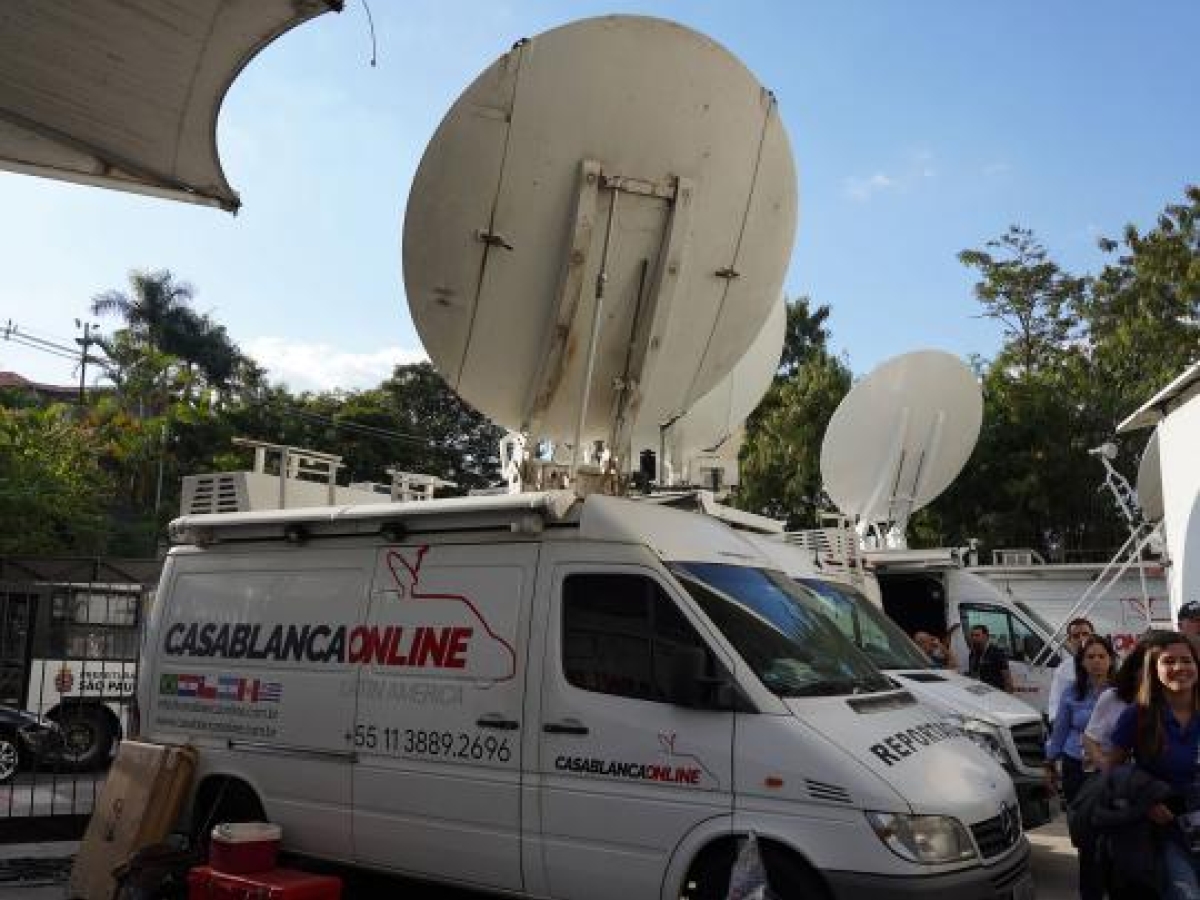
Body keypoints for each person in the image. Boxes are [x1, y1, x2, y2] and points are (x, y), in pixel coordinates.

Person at [1109, 631, 1200, 899]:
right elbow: (1113, 772)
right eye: (1169, 661)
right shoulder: (1137, 715)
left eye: (1186, 660)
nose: (1179, 668)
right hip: (1165, 834)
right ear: (1154, 669)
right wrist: (1146, 800)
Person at [1045, 636, 1116, 900]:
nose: (1096, 662)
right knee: (1085, 835)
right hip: (1077, 768)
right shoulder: (1071, 694)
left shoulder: (1123, 692)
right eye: (1090, 657)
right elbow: (1060, 731)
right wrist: (1049, 763)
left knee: (1112, 833)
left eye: (1102, 656)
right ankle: (1090, 892)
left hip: (1111, 769)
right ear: (1082, 662)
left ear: (1111, 660)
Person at [1084, 635, 1150, 771]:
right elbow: (1090, 739)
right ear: (1135, 669)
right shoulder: (1113, 697)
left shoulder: (1176, 700)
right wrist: (1105, 765)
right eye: (1150, 667)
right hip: (1121, 781)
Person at [1048, 618, 1096, 724]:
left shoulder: (1108, 663)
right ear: (1069, 641)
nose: (1081, 639)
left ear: (1093, 636)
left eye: (1085, 634)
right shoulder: (1063, 670)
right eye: (1076, 636)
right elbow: (1055, 703)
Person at [967, 624, 1014, 692]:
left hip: (995, 694)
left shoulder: (996, 652)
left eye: (977, 635)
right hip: (979, 693)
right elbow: (972, 674)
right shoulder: (973, 654)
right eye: (972, 635)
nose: (974, 638)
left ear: (986, 636)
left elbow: (1007, 679)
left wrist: (1007, 699)